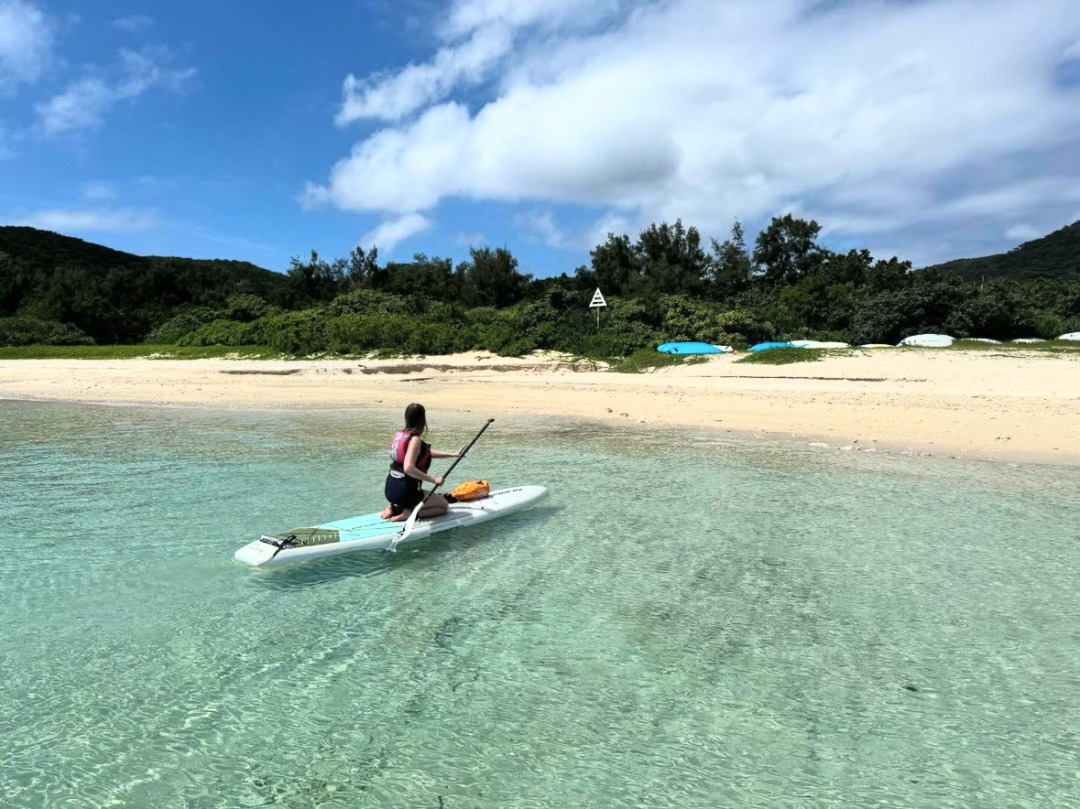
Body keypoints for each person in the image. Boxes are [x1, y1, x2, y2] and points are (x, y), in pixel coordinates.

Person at [380, 403, 463, 522]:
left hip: (390, 491)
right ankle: (410, 513)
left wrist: (452, 454)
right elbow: (408, 468)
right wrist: (434, 480)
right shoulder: (415, 440)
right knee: (443, 506)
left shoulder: (397, 435)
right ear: (422, 420)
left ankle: (393, 507)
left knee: (400, 485)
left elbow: (422, 453)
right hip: (407, 493)